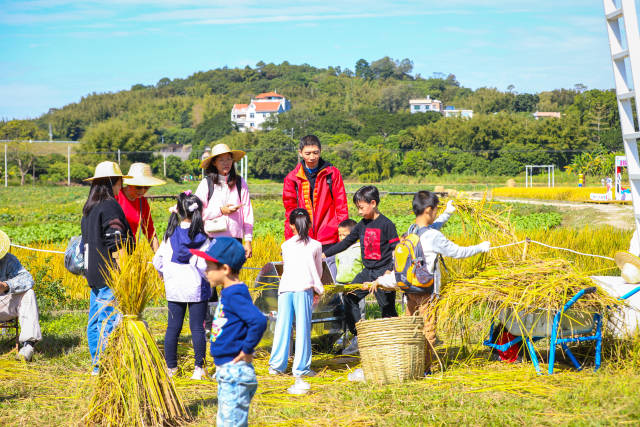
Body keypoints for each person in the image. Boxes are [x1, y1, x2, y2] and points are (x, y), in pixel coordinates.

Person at [368, 191, 490, 373]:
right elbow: (457, 252)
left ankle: (408, 363)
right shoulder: (434, 237)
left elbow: (433, 229)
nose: (435, 214)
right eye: (436, 210)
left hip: (409, 292)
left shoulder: (411, 231)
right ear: (428, 210)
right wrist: (480, 247)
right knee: (428, 332)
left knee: (410, 328)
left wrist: (447, 213)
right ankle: (424, 369)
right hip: (427, 294)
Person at [190, 237, 267, 427]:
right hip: (228, 372)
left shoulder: (235, 294)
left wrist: (247, 349)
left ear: (225, 269)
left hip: (235, 373)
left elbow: (258, 320)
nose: (206, 270)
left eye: (209, 266)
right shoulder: (229, 293)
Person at [323, 185, 399, 355]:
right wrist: (324, 254)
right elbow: (346, 242)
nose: (359, 212)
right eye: (357, 208)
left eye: (361, 207)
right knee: (349, 297)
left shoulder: (387, 224)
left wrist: (391, 271)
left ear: (373, 203)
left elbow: (396, 249)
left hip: (383, 271)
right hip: (367, 271)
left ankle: (392, 343)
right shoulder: (361, 225)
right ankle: (360, 336)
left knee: (387, 308)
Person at [81, 161, 134, 374]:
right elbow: (117, 243)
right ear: (115, 182)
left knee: (95, 319)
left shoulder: (90, 208)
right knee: (108, 320)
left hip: (92, 272)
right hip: (109, 272)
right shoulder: (111, 205)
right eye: (121, 181)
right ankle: (108, 364)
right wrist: (124, 274)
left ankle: (97, 366)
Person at [153, 191, 210, 380]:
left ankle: (171, 368)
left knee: (173, 328)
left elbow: (157, 261)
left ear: (178, 210)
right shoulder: (203, 237)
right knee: (197, 329)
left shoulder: (170, 234)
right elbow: (204, 265)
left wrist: (164, 273)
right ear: (198, 212)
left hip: (174, 287)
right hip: (196, 288)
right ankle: (198, 369)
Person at [268, 208, 324, 395]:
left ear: (291, 225)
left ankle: (276, 366)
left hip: (286, 289)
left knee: (282, 327)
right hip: (303, 289)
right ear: (309, 224)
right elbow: (318, 271)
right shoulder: (316, 245)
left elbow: (286, 267)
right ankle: (301, 369)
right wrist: (318, 289)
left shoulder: (285, 246)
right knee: (302, 329)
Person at [282, 135, 349, 277]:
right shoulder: (292, 178)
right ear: (300, 153)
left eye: (315, 152)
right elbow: (290, 212)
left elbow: (341, 205)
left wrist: (344, 234)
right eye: (308, 153)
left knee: (330, 279)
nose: (312, 157)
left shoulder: (332, 174)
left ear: (320, 151)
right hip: (304, 237)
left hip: (329, 237)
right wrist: (289, 239)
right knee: (306, 279)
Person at [196, 143, 254, 259]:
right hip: (212, 239)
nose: (226, 163)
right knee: (214, 275)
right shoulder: (206, 184)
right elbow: (197, 212)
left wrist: (248, 240)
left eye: (228, 159)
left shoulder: (240, 182)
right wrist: (221, 211)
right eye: (221, 160)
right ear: (214, 162)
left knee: (231, 275)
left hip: (235, 240)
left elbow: (247, 212)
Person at [0, 229, 42, 362]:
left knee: (28, 294)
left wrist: (6, 285)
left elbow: (27, 280)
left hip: (3, 305)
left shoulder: (8, 260)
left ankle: (28, 346)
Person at [116, 162, 166, 251]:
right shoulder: (117, 196)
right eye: (138, 187)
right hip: (114, 250)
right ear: (129, 184)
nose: (142, 191)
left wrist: (159, 257)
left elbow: (150, 231)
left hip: (130, 251)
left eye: (146, 187)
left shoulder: (142, 202)